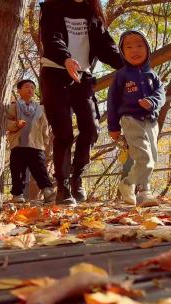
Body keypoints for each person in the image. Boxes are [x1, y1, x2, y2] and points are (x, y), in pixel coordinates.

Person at [39, 0, 124, 205]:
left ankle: (77, 178)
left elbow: (105, 45)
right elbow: (52, 37)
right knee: (64, 133)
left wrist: (128, 64)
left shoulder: (92, 13)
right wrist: (66, 59)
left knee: (91, 128)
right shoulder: (51, 7)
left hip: (82, 78)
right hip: (55, 74)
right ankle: (63, 186)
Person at [107, 30, 165, 207]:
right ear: (123, 52)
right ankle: (144, 191)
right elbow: (112, 101)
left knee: (152, 158)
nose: (135, 50)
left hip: (151, 121)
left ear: (147, 49)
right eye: (129, 46)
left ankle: (128, 184)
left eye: (140, 45)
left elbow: (161, 94)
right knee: (144, 157)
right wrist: (113, 127)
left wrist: (152, 101)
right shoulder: (121, 75)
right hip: (130, 119)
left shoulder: (152, 75)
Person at [6, 79, 55, 204]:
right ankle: (17, 194)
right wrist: (16, 124)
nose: (30, 89)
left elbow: (44, 126)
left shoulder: (40, 109)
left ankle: (48, 191)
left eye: (33, 88)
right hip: (18, 144)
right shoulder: (13, 106)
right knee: (18, 170)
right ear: (19, 90)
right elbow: (6, 122)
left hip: (36, 145)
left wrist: (44, 142)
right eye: (27, 87)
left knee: (40, 169)